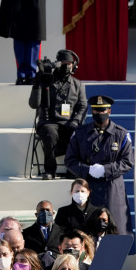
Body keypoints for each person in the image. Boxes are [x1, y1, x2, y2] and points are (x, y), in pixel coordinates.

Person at [65, 95, 134, 235]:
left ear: (109, 111)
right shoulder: (80, 134)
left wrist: (106, 170)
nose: (99, 114)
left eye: (102, 110)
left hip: (112, 188)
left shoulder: (121, 134)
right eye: (96, 111)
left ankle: (115, 257)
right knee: (87, 230)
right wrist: (87, 170)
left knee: (116, 229)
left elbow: (127, 162)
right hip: (89, 187)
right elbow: (70, 160)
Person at [29, 50, 87, 180]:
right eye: (63, 63)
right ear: (57, 64)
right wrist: (37, 84)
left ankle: (73, 169)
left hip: (68, 122)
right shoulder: (46, 79)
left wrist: (76, 121)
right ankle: (50, 170)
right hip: (49, 122)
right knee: (50, 132)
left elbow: (83, 106)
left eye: (69, 63)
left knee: (79, 132)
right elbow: (33, 104)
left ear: (74, 66)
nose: (67, 66)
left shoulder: (77, 84)